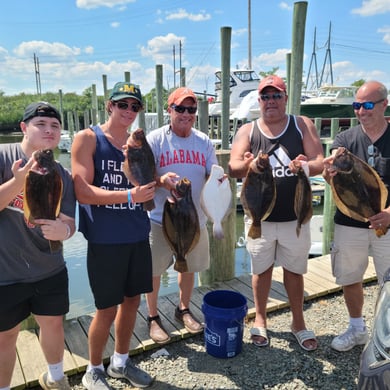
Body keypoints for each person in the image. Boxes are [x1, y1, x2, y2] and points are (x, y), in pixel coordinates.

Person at [228, 75, 324, 351]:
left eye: (276, 96)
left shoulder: (301, 124)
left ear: (285, 98)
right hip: (260, 215)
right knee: (262, 269)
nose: (271, 101)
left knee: (295, 271)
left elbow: (319, 161)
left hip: (295, 215)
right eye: (265, 97)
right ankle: (260, 318)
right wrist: (246, 164)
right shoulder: (248, 130)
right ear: (259, 101)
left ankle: (298, 322)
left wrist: (306, 164)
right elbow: (233, 165)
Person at [71, 82, 155, 389]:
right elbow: (82, 191)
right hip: (105, 239)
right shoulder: (88, 138)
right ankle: (93, 369)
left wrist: (164, 182)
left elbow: (148, 180)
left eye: (135, 107)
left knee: (133, 301)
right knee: (106, 308)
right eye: (123, 105)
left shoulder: (138, 143)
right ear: (110, 105)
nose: (129, 112)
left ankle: (120, 362)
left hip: (137, 234)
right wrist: (130, 196)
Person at [0, 102, 76, 390]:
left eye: (55, 126)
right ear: (24, 127)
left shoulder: (63, 174)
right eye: (40, 124)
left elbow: (70, 222)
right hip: (5, 272)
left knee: (53, 324)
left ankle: (56, 378)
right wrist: (17, 183)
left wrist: (64, 230)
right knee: (5, 336)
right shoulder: (3, 157)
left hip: (49, 268)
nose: (49, 130)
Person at [145, 87, 218, 344]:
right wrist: (161, 181)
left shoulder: (204, 141)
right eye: (180, 109)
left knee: (188, 266)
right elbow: (142, 176)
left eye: (191, 109)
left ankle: (183, 308)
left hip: (194, 219)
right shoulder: (155, 140)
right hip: (159, 219)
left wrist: (219, 179)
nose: (186, 114)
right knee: (153, 270)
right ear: (169, 110)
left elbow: (212, 173)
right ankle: (153, 317)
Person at [323, 80, 390, 352]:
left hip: (387, 221)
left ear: (385, 105)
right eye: (357, 105)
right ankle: (356, 328)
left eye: (368, 105)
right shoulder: (344, 141)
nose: (362, 111)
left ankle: (384, 333)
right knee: (350, 277)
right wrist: (329, 174)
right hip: (350, 223)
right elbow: (335, 181)